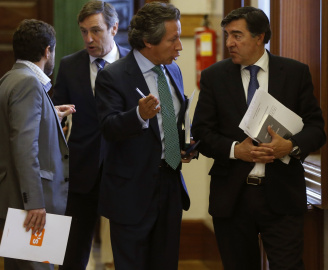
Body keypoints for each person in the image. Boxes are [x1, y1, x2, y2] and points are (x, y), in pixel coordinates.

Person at [192, 7, 326, 270]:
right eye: (228, 35)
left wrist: (290, 146)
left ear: (259, 37)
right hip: (232, 197)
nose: (229, 42)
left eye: (237, 35)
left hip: (282, 195)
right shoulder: (214, 77)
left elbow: (316, 128)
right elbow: (202, 134)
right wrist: (234, 150)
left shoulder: (295, 73)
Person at [95, 2, 195, 269]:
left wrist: (184, 144)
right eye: (173, 39)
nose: (180, 46)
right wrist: (138, 116)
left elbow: (171, 123)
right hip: (131, 192)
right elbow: (108, 127)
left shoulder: (173, 70)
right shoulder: (112, 76)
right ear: (149, 42)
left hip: (170, 185)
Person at [0, 19, 74, 270]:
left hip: (14, 198)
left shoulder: (6, 80)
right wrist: (35, 202)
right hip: (28, 205)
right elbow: (24, 146)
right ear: (47, 51)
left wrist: (52, 115)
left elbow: (16, 128)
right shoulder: (29, 83)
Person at [51, 1, 129, 269]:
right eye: (84, 31)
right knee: (72, 254)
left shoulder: (134, 64)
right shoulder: (70, 65)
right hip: (81, 174)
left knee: (127, 252)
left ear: (115, 28)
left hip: (125, 171)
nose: (89, 39)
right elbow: (55, 119)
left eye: (96, 31)